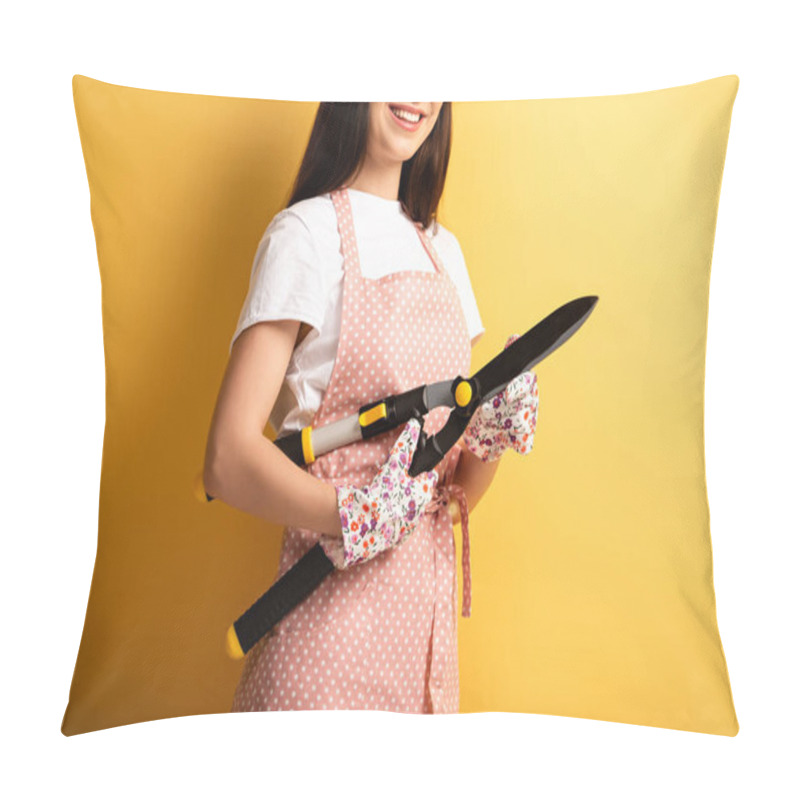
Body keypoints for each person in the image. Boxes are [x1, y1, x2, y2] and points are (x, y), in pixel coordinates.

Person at [203, 102, 539, 714]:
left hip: (428, 660)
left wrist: (490, 438)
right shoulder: (304, 236)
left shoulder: (444, 252)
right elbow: (227, 459)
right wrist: (351, 513)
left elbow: (447, 494)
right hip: (325, 658)